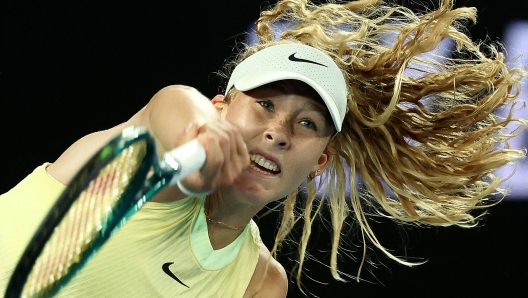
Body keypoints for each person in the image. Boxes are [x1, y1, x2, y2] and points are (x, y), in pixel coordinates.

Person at [1, 0, 526, 297]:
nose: (278, 132)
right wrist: (201, 139)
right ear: (220, 105)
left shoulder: (258, 285)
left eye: (306, 123)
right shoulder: (138, 158)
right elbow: (176, 111)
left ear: (319, 161)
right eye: (265, 105)